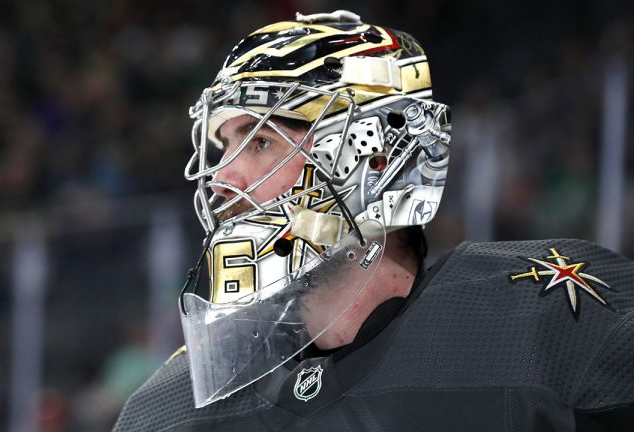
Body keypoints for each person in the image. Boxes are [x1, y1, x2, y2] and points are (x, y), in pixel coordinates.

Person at [112, 10, 634, 431]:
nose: (224, 177)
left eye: (261, 141)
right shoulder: (167, 410)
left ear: (373, 157)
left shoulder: (539, 315)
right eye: (223, 146)